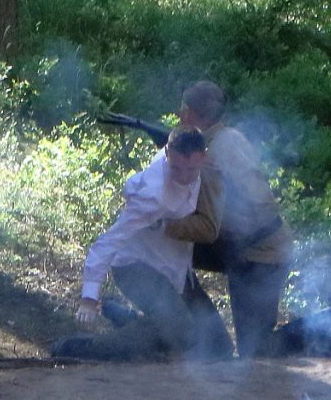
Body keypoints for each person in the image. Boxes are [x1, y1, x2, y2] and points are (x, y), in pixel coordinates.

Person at [51, 126, 211, 361]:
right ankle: (78, 348)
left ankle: (123, 317)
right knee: (182, 330)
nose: (185, 176)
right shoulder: (152, 195)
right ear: (167, 154)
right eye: (177, 168)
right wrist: (88, 297)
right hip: (134, 267)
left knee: (179, 335)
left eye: (192, 169)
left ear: (203, 156)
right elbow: (108, 242)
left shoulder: (203, 168)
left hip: (167, 267)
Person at [164, 80, 294, 359]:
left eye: (183, 110)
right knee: (165, 252)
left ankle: (328, 327)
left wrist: (164, 225)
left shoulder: (215, 152)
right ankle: (207, 334)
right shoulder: (227, 139)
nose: (179, 115)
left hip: (262, 255)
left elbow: (212, 223)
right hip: (241, 246)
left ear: (189, 113)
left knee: (257, 353)